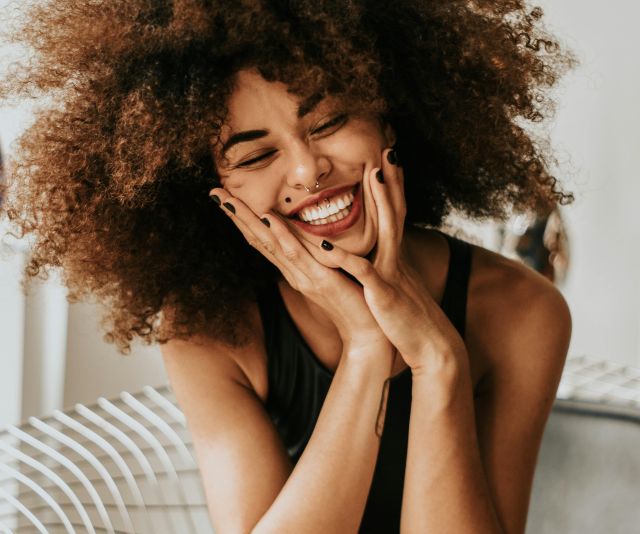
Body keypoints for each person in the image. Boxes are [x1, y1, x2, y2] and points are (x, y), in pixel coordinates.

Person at [0, 1, 575, 532]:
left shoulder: (522, 312)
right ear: (214, 193)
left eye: (327, 123)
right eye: (255, 155)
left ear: (388, 123)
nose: (307, 171)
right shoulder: (212, 332)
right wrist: (368, 346)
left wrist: (438, 360)